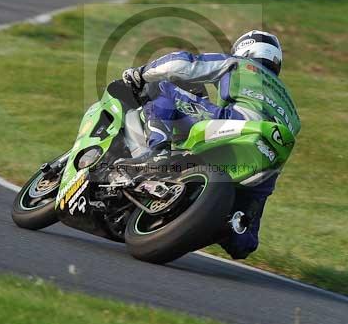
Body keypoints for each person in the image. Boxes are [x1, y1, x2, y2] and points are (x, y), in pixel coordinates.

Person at [119, 30, 301, 259]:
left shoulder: (239, 64)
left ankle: (157, 153)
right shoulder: (293, 111)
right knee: (245, 241)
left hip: (237, 124)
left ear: (245, 50)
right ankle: (228, 228)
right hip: (266, 160)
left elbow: (183, 64)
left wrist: (141, 74)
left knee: (164, 88)